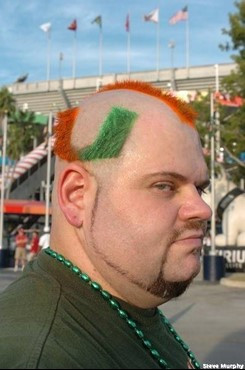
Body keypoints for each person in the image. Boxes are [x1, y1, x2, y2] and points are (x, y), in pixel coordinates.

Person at [0, 80, 211, 369]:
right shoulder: (41, 356)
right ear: (77, 196)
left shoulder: (130, 302)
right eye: (165, 185)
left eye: (200, 189)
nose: (203, 209)